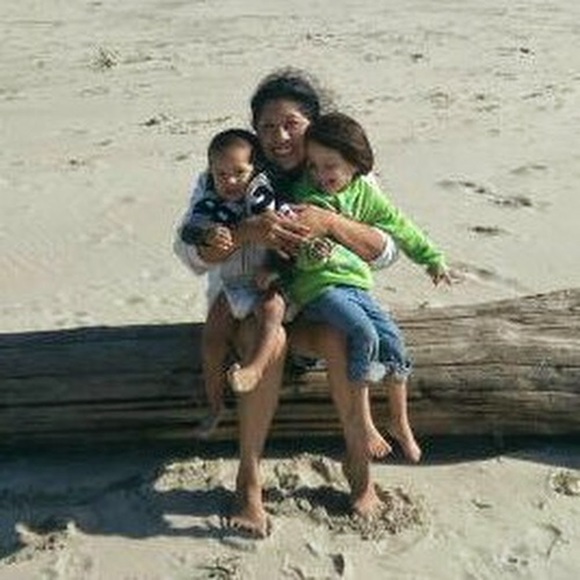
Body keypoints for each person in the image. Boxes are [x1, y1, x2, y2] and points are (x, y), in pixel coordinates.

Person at [175, 69, 400, 536]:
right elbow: (190, 254)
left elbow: (387, 251)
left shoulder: (342, 170)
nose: (279, 137)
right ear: (254, 131)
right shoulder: (229, 174)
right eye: (268, 126)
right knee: (267, 340)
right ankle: (249, 481)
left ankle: (360, 470)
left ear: (313, 124)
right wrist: (244, 233)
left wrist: (330, 223)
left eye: (291, 124)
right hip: (253, 306)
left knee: (342, 338)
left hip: (320, 303)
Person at [285, 111, 452, 463]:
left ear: (354, 164)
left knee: (393, 341)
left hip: (357, 285)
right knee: (363, 333)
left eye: (329, 166)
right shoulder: (305, 194)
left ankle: (399, 422)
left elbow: (400, 225)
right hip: (320, 288)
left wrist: (432, 258)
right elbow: (297, 247)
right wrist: (313, 251)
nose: (319, 175)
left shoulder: (365, 193)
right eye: (313, 166)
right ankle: (363, 422)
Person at [178, 128, 289, 438]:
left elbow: (290, 239)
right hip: (231, 285)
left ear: (255, 169)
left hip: (265, 280)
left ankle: (254, 368)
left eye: (239, 173)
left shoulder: (267, 198)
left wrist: (275, 267)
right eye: (221, 174)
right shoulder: (211, 202)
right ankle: (215, 405)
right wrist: (206, 234)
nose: (229, 181)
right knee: (212, 339)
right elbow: (188, 230)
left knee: (272, 311)